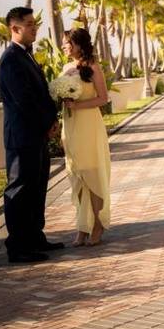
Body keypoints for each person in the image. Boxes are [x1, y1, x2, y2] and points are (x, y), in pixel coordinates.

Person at [0, 6, 62, 264]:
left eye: (35, 23)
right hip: (22, 137)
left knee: (37, 188)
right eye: (29, 24)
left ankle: (35, 238)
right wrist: (47, 122)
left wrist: (51, 120)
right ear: (15, 28)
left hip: (36, 135)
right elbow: (23, 100)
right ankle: (18, 246)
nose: (35, 27)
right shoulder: (11, 59)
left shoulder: (27, 55)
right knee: (19, 191)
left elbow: (41, 94)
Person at [60, 28, 111, 247]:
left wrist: (77, 104)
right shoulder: (65, 68)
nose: (63, 46)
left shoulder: (92, 67)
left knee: (92, 173)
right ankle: (82, 227)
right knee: (77, 176)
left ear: (78, 44)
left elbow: (103, 98)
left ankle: (97, 225)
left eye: (67, 43)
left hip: (89, 126)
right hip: (70, 126)